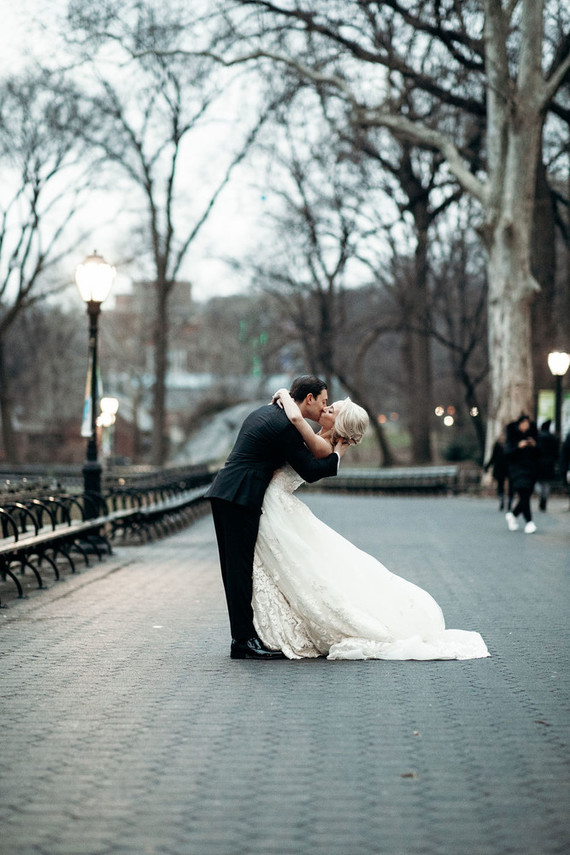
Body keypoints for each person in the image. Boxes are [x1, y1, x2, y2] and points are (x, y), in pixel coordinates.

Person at [251, 389, 490, 661]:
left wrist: (283, 393)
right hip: (277, 503)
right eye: (328, 406)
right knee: (300, 568)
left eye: (332, 410)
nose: (325, 410)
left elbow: (295, 421)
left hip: (274, 504)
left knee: (296, 568)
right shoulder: (323, 441)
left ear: (339, 425)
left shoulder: (321, 446)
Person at [206, 375, 349, 660]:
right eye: (322, 402)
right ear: (308, 399)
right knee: (238, 571)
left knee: (236, 569)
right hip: (239, 496)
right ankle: (243, 641)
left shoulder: (268, 411)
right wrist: (338, 455)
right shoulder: (285, 426)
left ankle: (244, 638)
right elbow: (309, 470)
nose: (323, 408)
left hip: (229, 493)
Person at [504, 414, 539, 533]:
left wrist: (534, 445)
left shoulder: (533, 435)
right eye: (524, 423)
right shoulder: (512, 436)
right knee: (524, 493)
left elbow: (540, 453)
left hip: (531, 469)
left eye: (527, 424)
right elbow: (507, 452)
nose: (526, 426)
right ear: (519, 424)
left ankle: (513, 515)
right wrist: (518, 446)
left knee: (526, 495)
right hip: (517, 470)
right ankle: (529, 521)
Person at [535, 420, 560, 511]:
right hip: (549, 464)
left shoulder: (538, 437)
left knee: (538, 482)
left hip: (539, 463)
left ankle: (541, 495)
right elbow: (556, 453)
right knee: (546, 483)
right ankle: (544, 498)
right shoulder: (553, 438)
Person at [484, 432, 510, 511]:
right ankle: (508, 501)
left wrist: (488, 466)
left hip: (501, 467)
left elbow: (493, 457)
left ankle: (502, 499)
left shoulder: (499, 444)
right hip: (507, 467)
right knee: (508, 484)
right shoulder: (509, 443)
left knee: (501, 484)